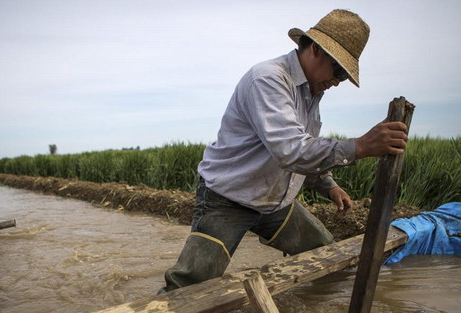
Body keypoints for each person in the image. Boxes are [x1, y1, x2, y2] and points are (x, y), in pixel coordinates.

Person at [161, 9, 408, 292]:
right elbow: (290, 150)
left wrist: (327, 186)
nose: (338, 81)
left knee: (324, 254)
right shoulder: (268, 79)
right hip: (228, 199)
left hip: (274, 204)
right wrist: (361, 147)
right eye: (338, 70)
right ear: (315, 49)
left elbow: (303, 145)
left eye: (344, 75)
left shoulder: (313, 92)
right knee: (189, 286)